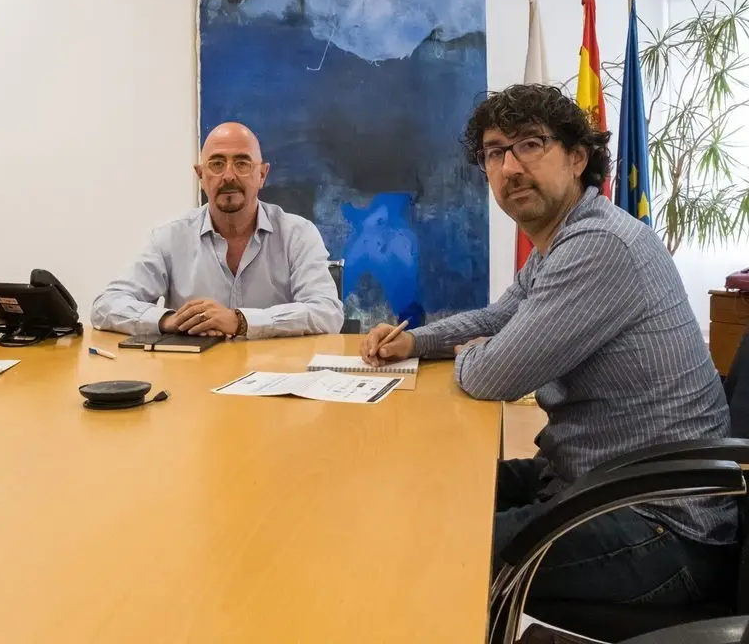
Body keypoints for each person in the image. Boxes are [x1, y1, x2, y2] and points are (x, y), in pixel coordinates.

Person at [360, 84, 736, 605]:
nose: (510, 166)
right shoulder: (561, 241)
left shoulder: (600, 246)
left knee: (423, 547)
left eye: (530, 145)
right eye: (495, 152)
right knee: (417, 489)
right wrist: (417, 341)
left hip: (659, 525)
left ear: (579, 158)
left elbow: (495, 376)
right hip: (588, 480)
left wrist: (475, 353)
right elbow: (501, 316)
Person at [90, 122, 344, 339]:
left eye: (242, 163)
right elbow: (105, 306)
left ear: (262, 175)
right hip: (195, 383)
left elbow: (327, 313)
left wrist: (240, 321)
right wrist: (168, 320)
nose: (228, 176)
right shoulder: (169, 238)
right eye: (217, 164)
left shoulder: (297, 235)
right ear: (201, 175)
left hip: (277, 380)